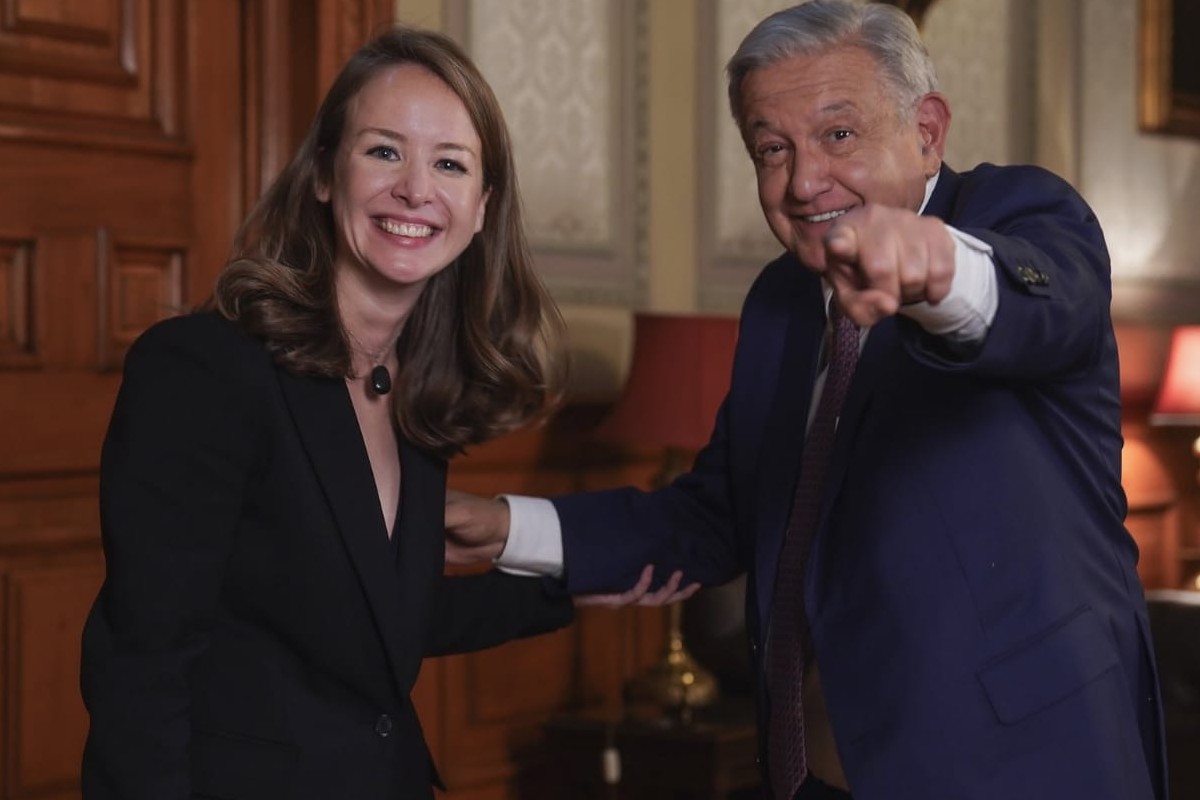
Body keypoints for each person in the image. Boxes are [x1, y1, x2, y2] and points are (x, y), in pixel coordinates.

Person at [443, 2, 1168, 798]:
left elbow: (1042, 303)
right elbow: (720, 515)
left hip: (1019, 770)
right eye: (772, 149)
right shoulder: (780, 301)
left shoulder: (1021, 214)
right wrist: (507, 527)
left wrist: (935, 267)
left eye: (839, 134)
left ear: (927, 131)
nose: (804, 181)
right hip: (811, 773)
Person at [79, 27, 574, 799]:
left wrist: (575, 578)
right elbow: (143, 663)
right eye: (384, 151)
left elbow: (368, 619)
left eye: (450, 163)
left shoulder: (415, 388)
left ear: (482, 208)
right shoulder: (204, 369)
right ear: (321, 173)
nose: (416, 189)